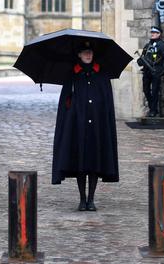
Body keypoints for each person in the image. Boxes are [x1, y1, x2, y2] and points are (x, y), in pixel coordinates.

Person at [52, 41, 119, 211]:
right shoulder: (72, 76)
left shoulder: (102, 76)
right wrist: (72, 107)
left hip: (97, 126)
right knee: (81, 164)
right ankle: (82, 199)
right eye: (84, 52)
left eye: (90, 52)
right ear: (79, 55)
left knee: (95, 163)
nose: (88, 55)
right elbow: (65, 105)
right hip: (78, 126)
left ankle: (91, 199)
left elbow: (107, 104)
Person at [137, 26, 164, 117]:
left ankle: (153, 110)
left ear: (159, 34)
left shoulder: (162, 45)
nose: (152, 34)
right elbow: (142, 57)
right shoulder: (147, 46)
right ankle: (153, 108)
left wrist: (163, 70)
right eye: (152, 32)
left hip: (156, 70)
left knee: (155, 91)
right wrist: (140, 61)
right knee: (146, 90)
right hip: (147, 71)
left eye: (155, 33)